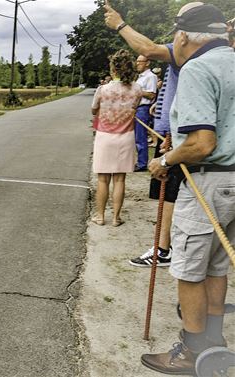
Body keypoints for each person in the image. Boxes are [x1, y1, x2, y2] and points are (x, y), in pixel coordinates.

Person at [144, 4, 233, 375]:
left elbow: (201, 143)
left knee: (190, 269)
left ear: (182, 37)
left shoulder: (197, 67)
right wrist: (177, 148)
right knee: (216, 265)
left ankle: (192, 352)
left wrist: (164, 162)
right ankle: (213, 341)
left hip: (207, 181)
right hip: (233, 180)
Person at [104, 0, 190, 268]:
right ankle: (166, 246)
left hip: (181, 137)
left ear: (186, 34)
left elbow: (148, 48)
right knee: (169, 191)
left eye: (178, 26)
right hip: (172, 133)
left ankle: (164, 249)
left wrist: (119, 23)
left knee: (172, 192)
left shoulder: (189, 52)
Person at [91, 49, 142, 227]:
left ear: (113, 68)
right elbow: (135, 107)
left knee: (103, 179)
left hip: (105, 136)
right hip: (126, 136)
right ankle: (116, 218)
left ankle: (100, 215)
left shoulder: (103, 89)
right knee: (120, 179)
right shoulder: (137, 89)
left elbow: (94, 109)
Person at [133, 55, 157, 172]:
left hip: (143, 108)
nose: (137, 64)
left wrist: (136, 91)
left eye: (140, 62)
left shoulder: (151, 77)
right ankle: (138, 161)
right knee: (136, 136)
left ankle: (142, 164)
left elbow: (152, 94)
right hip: (136, 108)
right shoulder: (140, 77)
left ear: (147, 63)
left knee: (141, 137)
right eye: (136, 61)